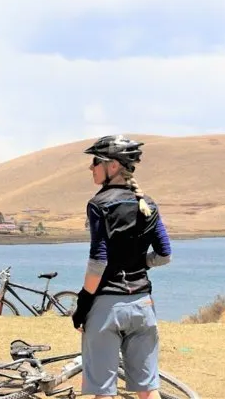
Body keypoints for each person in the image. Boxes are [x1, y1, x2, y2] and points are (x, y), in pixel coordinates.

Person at [71, 135, 172, 399]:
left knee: (104, 390)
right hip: (143, 305)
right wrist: (139, 263)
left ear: (113, 166)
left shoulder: (99, 204)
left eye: (96, 162)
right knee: (148, 388)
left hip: (107, 307)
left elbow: (99, 262)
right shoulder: (148, 203)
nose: (91, 167)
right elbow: (164, 255)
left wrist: (82, 305)